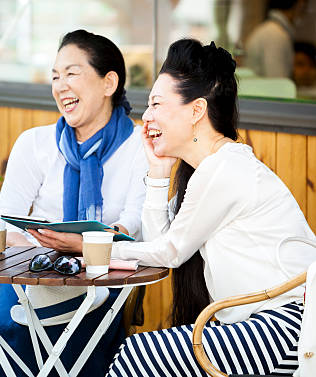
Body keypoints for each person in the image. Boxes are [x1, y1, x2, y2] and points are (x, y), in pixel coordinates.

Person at [106, 39, 315, 376]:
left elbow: (169, 252)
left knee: (138, 354)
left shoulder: (226, 167)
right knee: (141, 354)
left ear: (196, 110)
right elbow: (165, 245)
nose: (147, 116)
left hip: (292, 329)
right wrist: (159, 174)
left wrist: (100, 253)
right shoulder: (209, 170)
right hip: (260, 326)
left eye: (157, 103)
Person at [0, 29, 148, 377]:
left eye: (72, 73)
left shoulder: (140, 146)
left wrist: (80, 248)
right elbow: (4, 223)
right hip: (31, 273)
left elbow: (133, 226)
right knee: (0, 334)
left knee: (82, 346)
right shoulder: (34, 143)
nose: (60, 85)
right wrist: (49, 252)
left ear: (109, 83)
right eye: (55, 76)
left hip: (98, 281)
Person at [244, 0, 306, 78]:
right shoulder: (275, 35)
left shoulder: (272, 30)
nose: (304, 13)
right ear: (299, 5)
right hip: (264, 89)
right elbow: (277, 81)